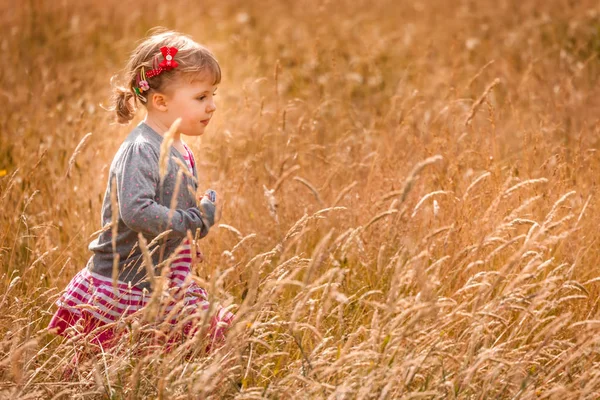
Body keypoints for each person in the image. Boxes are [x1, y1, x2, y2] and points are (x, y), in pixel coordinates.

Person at [47, 30, 234, 363]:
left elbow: (170, 205)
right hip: (125, 281)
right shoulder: (141, 150)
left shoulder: (179, 145)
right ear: (160, 102)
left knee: (213, 336)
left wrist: (185, 241)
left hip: (162, 277)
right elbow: (137, 211)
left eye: (213, 94)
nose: (212, 105)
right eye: (201, 97)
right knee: (106, 367)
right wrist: (190, 222)